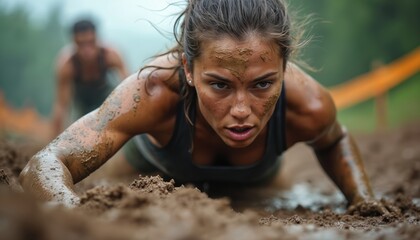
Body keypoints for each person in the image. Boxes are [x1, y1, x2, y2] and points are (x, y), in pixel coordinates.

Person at [20, 0, 392, 214]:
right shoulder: (152, 92)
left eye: (263, 84)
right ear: (188, 69)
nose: (242, 110)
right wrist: (73, 216)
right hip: (145, 166)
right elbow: (46, 164)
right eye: (220, 85)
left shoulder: (308, 103)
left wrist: (364, 199)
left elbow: (334, 139)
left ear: (283, 69)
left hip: (256, 180)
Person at [51, 19, 128, 136]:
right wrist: (53, 144)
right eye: (81, 44)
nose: (87, 50)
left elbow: (129, 89)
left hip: (107, 97)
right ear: (74, 42)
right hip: (82, 102)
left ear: (97, 39)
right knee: (82, 135)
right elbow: (61, 106)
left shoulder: (111, 55)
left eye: (91, 43)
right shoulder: (67, 65)